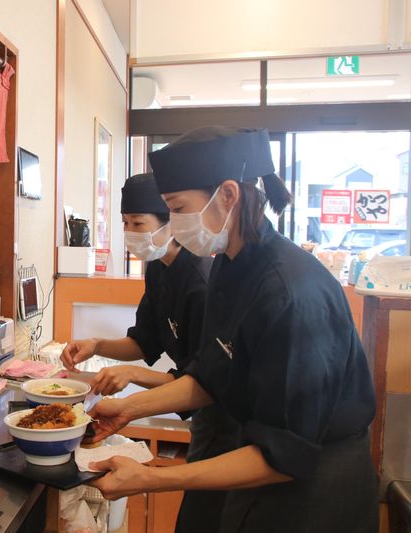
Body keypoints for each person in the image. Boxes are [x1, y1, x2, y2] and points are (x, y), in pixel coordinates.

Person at [86, 126, 378, 533]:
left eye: (178, 207)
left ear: (227, 195)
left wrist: (151, 478)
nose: (174, 222)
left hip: (315, 484)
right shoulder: (231, 262)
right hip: (257, 455)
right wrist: (128, 409)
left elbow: (285, 454)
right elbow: (212, 374)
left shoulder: (290, 294)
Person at [61, 173, 236, 532]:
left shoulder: (200, 283)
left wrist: (135, 376)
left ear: (171, 221)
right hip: (201, 410)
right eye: (125, 223)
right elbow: (144, 341)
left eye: (138, 223)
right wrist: (97, 345)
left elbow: (201, 382)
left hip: (226, 417)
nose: (131, 233)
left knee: (210, 515)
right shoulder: (158, 267)